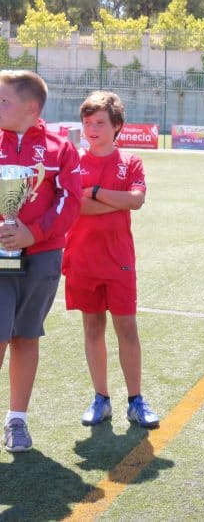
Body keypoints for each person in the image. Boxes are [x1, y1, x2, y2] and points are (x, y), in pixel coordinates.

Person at [64, 91, 159, 429]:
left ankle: (136, 401)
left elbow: (136, 200)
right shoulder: (73, 161)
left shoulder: (130, 162)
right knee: (92, 327)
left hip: (119, 259)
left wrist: (95, 193)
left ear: (117, 126)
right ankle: (101, 398)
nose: (92, 129)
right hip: (82, 259)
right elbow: (77, 206)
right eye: (87, 123)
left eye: (100, 122)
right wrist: (112, 200)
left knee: (127, 328)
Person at [0, 70, 82, 453]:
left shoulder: (59, 149)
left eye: (3, 101)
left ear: (31, 108)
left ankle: (17, 419)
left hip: (43, 256)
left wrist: (33, 233)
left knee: (25, 336)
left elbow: (71, 201)